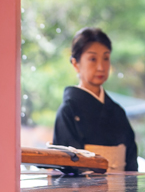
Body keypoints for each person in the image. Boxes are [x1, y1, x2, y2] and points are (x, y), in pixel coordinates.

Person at [53, 27, 138, 172]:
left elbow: (131, 165)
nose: (101, 67)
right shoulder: (69, 111)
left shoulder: (117, 112)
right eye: (92, 59)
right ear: (76, 64)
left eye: (106, 58)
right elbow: (65, 168)